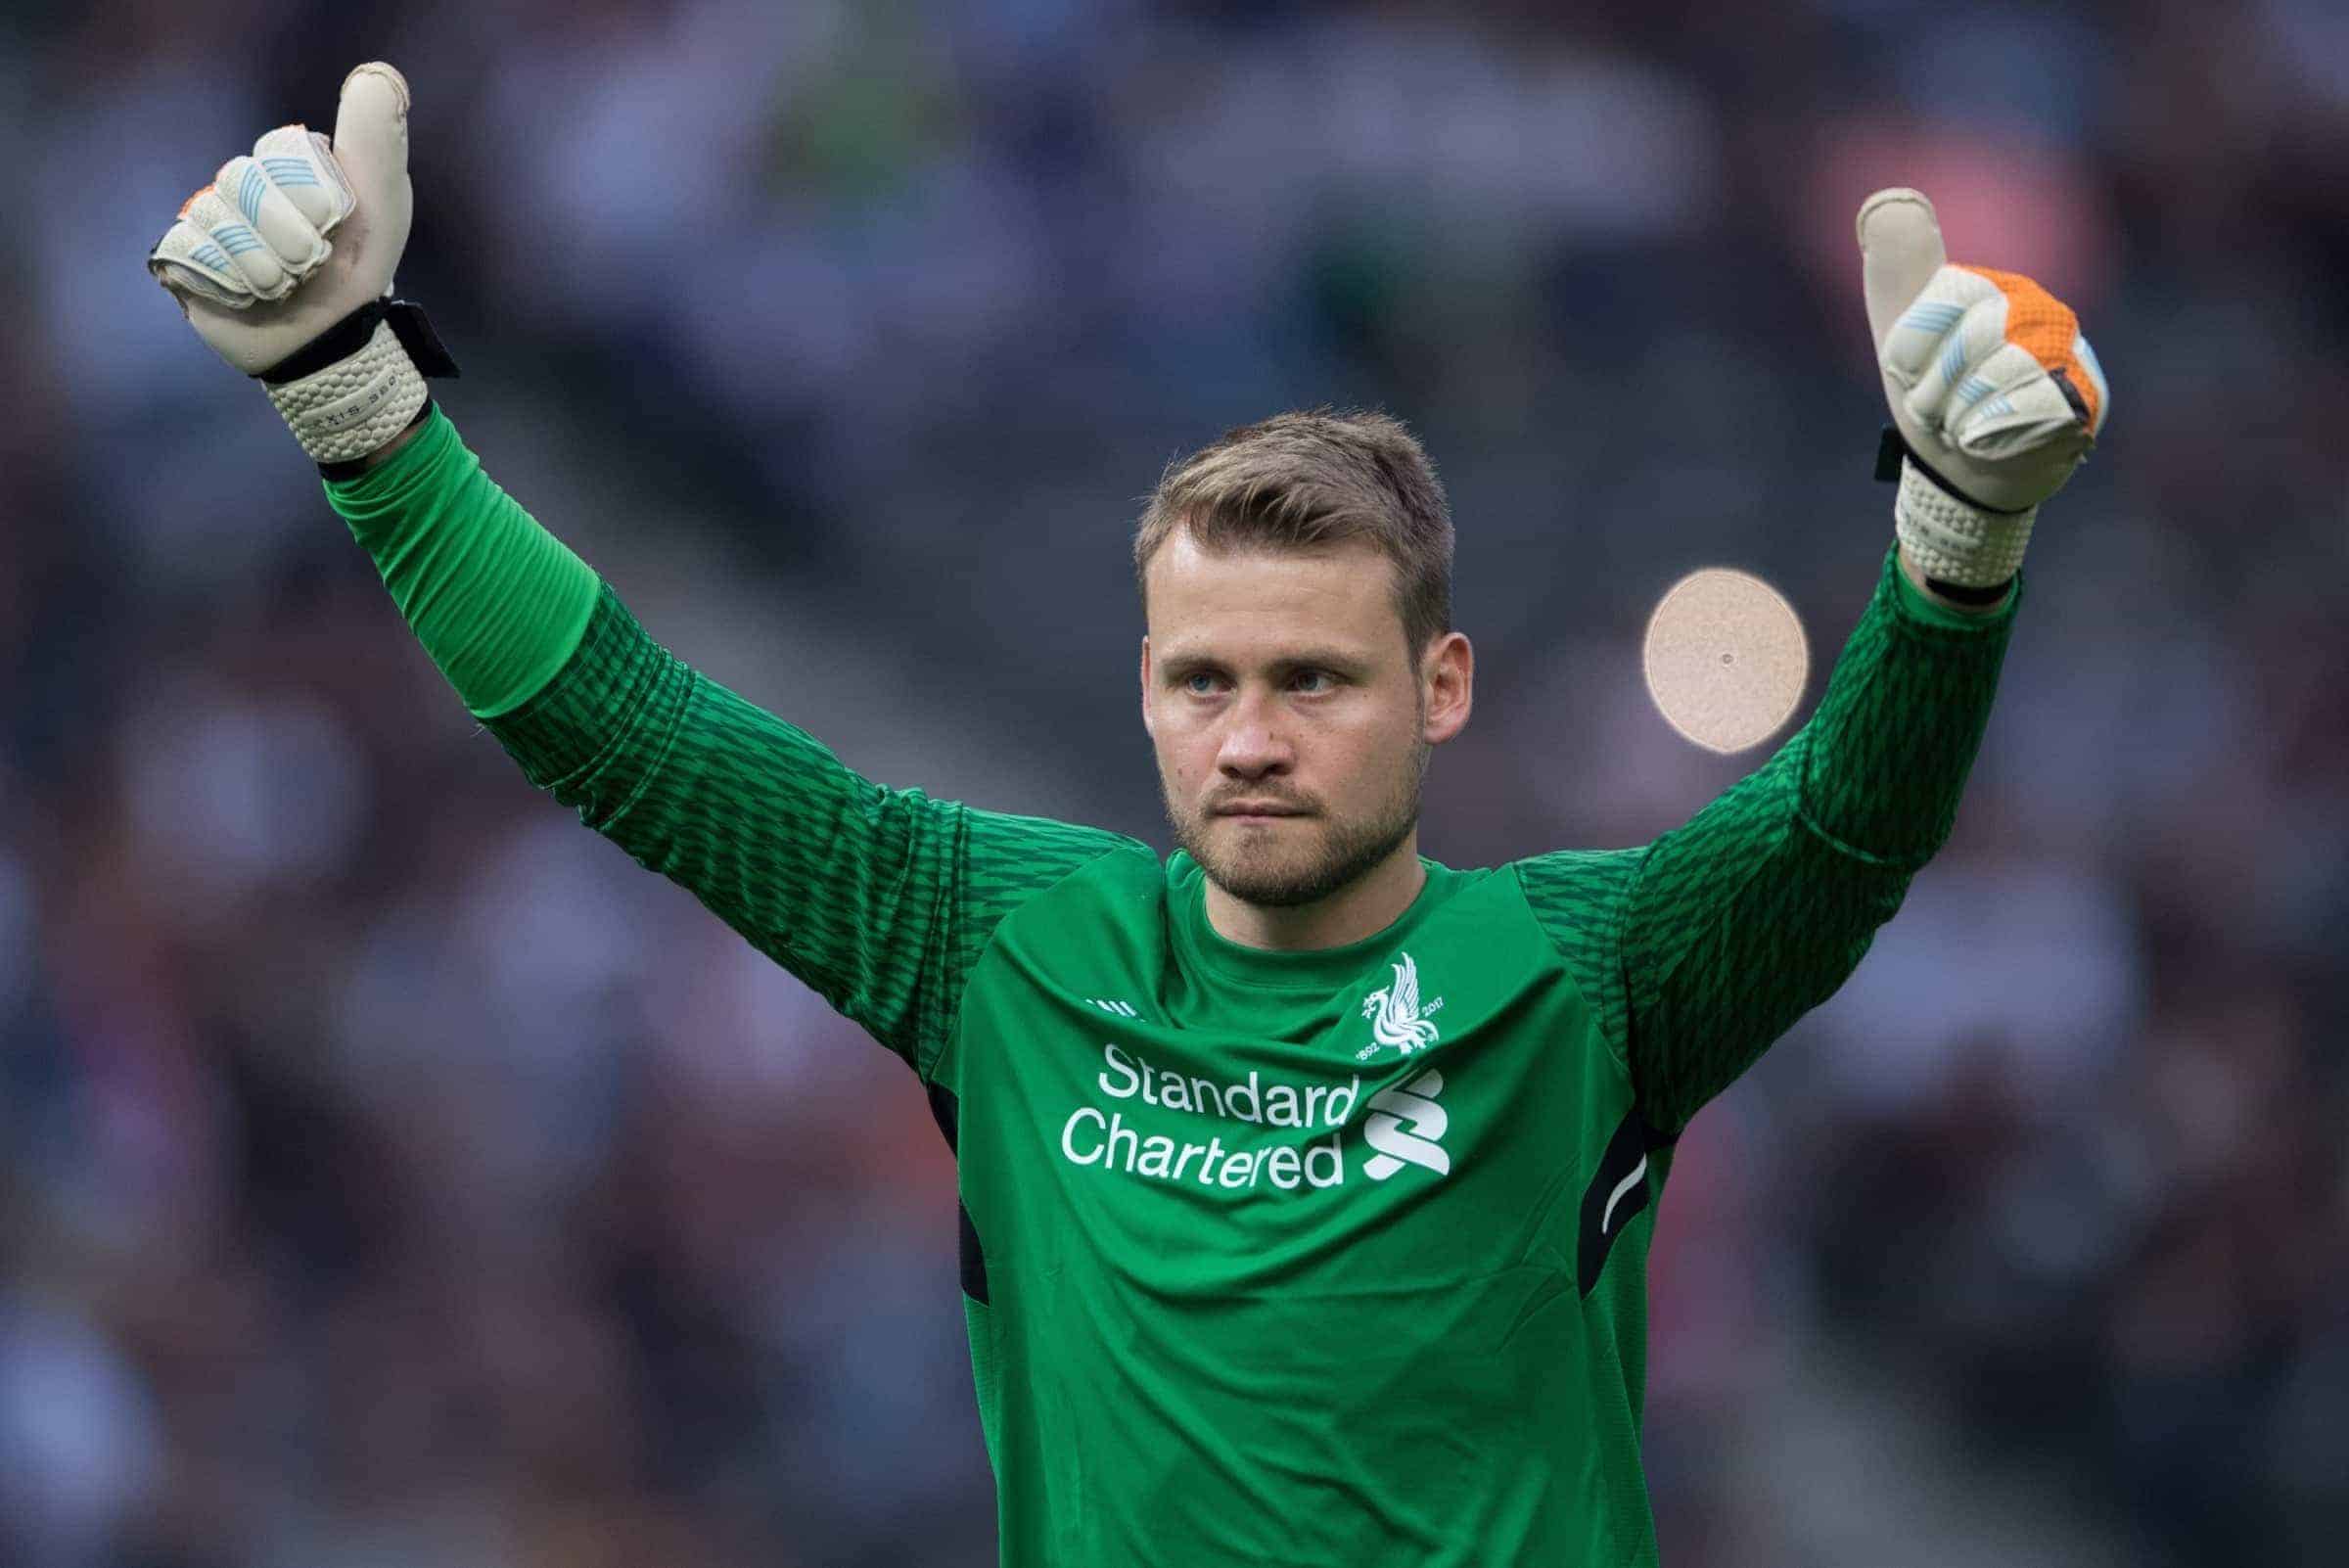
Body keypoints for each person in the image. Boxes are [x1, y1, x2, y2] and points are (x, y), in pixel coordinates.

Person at [149, 62, 2108, 1568]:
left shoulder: (1589, 973)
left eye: (1316, 680)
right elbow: (632, 738)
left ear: (1439, 695)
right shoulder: (1003, 939)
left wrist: (1958, 549)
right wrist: (355, 400)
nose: (1251, 736)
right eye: (1205, 681)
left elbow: (1848, 832)